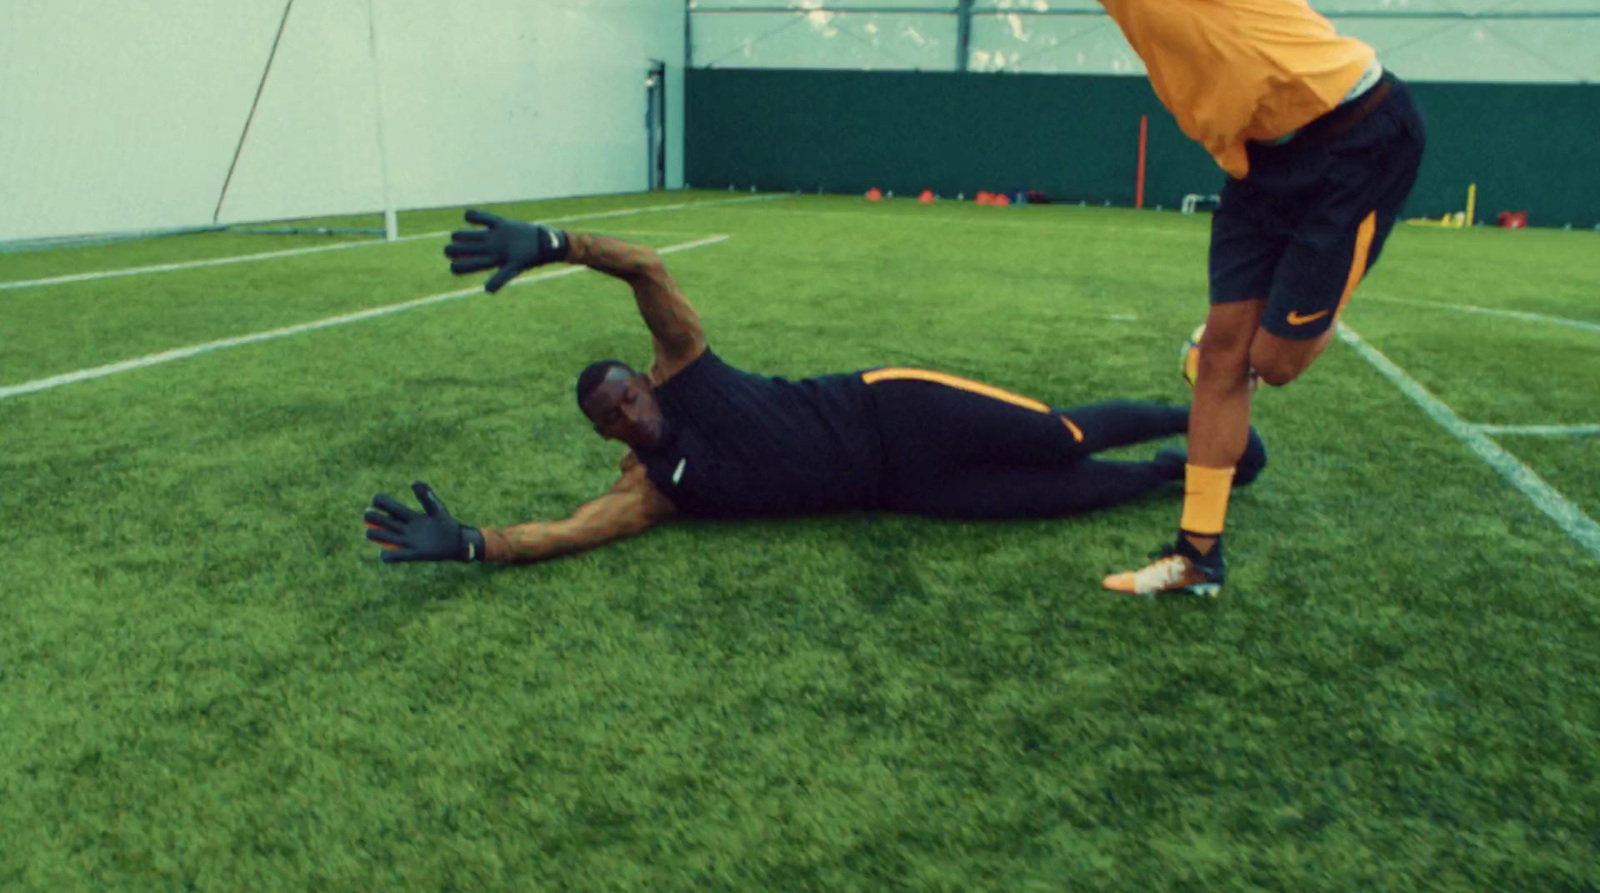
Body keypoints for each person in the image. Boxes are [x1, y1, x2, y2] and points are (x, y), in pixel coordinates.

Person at [362, 212, 1266, 566]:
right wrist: (474, 542)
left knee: (1059, 437)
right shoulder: (647, 494)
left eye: (627, 392)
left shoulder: (685, 367)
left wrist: (558, 246)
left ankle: (1203, 415)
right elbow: (562, 532)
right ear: (608, 435)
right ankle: (1175, 467)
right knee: (1050, 498)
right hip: (902, 486)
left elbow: (644, 266)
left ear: (643, 378)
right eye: (612, 415)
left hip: (894, 402)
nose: (629, 409)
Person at [1096, 0, 1426, 596]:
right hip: (1262, 161)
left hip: (1357, 134)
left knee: (1273, 363)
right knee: (1224, 354)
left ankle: (1319, 296)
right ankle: (1197, 558)